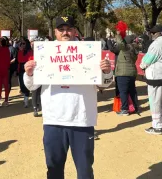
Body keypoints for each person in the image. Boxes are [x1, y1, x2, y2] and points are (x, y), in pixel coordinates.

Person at [24, 16, 113, 179]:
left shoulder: (89, 52)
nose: (66, 33)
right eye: (61, 29)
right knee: (54, 170)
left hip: (82, 120)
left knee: (85, 170)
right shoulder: (45, 53)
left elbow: (104, 84)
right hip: (53, 121)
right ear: (55, 32)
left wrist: (106, 72)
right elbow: (32, 86)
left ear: (75, 31)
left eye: (69, 29)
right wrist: (29, 73)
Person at [140, 25, 162, 135]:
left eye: (153, 33)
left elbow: (148, 59)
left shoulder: (156, 45)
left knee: (155, 103)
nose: (152, 35)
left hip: (156, 77)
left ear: (159, 33)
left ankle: (157, 127)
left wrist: (142, 65)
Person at [113, 34, 140, 116]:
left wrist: (118, 34)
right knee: (132, 91)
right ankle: (136, 107)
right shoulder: (134, 48)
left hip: (123, 73)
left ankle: (124, 109)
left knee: (123, 91)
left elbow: (120, 43)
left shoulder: (125, 48)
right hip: (132, 72)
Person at [28, 39, 41, 117]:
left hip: (41, 74)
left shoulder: (42, 53)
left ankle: (39, 105)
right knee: (34, 91)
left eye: (34, 44)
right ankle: (35, 108)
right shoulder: (29, 54)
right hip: (33, 75)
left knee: (40, 91)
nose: (33, 46)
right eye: (32, 45)